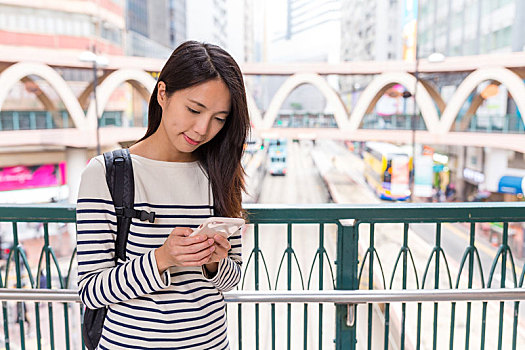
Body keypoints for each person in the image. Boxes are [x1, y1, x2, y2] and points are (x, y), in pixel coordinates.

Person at [76, 41, 249, 349]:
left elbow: (231, 279)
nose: (202, 128)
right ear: (163, 94)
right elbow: (90, 290)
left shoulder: (221, 174)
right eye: (194, 109)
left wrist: (213, 263)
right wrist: (162, 258)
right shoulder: (106, 173)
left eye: (219, 118)